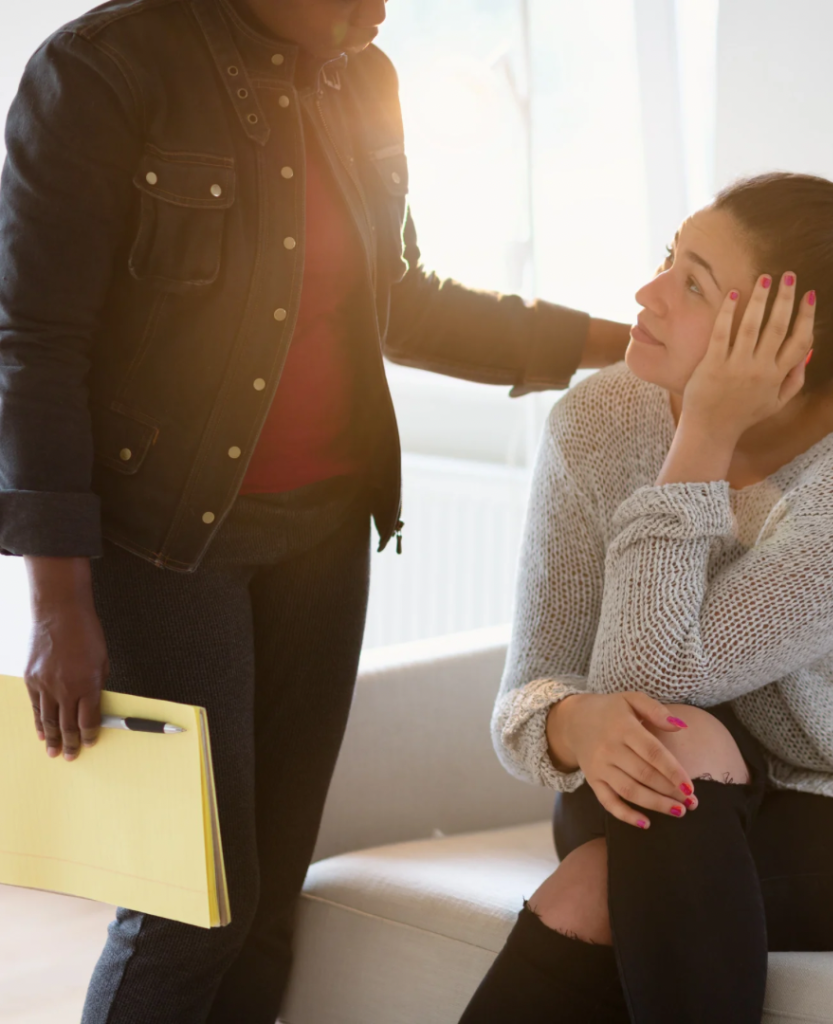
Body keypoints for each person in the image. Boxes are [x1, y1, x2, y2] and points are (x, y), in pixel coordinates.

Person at [0, 1, 629, 1022]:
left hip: (326, 538)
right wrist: (59, 600)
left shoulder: (364, 76)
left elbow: (403, 300)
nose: (378, 8)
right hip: (164, 543)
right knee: (193, 904)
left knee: (272, 893)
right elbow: (31, 345)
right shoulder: (101, 72)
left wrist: (622, 343)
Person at [460, 151, 833, 1023]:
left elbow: (658, 673)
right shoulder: (598, 422)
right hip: (655, 777)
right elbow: (535, 685)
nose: (645, 296)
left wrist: (705, 435)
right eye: (668, 258)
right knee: (662, 753)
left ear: (786, 340)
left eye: (694, 286)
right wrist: (573, 721)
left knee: (607, 864)